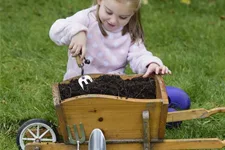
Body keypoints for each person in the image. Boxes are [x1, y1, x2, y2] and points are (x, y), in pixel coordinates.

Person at [49, 0, 191, 119]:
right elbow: (55, 30)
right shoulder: (86, 19)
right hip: (81, 90)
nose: (113, 20)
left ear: (132, 13)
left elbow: (139, 55)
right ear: (100, 1)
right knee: (157, 114)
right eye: (109, 12)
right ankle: (164, 116)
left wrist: (151, 64)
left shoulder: (129, 32)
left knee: (181, 98)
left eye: (123, 17)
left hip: (115, 91)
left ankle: (165, 111)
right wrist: (77, 32)